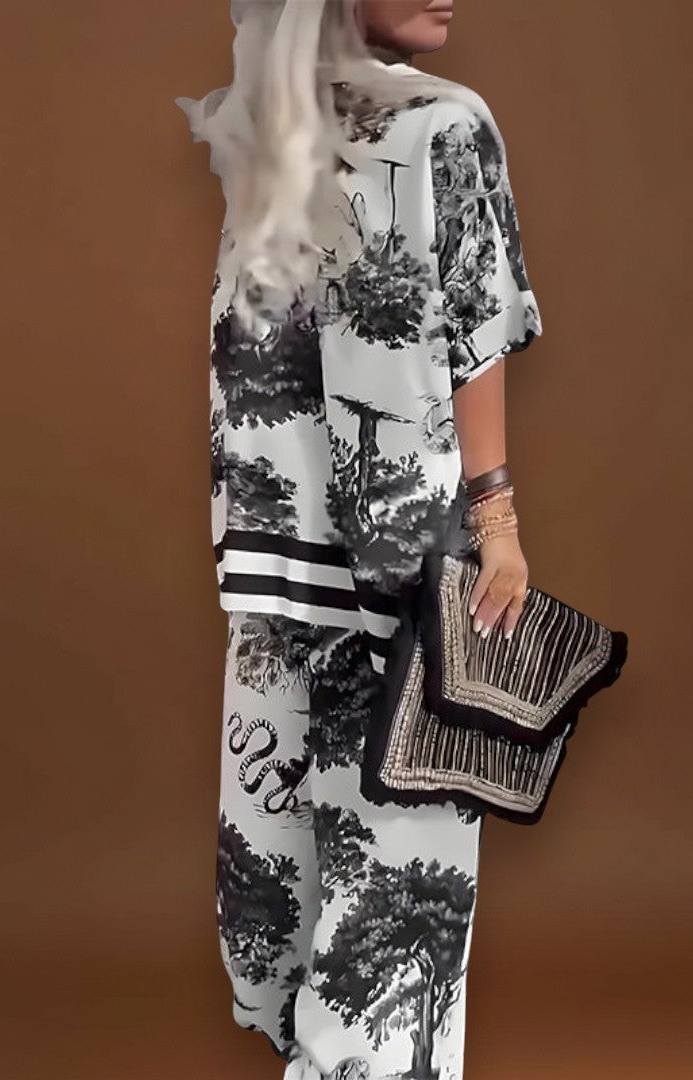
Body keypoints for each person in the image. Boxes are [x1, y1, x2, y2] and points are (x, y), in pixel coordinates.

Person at [175, 3, 541, 1077]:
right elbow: (475, 335)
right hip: (399, 572)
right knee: (395, 894)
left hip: (270, 569)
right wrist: (497, 521)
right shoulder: (447, 125)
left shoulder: (266, 127)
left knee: (276, 888)